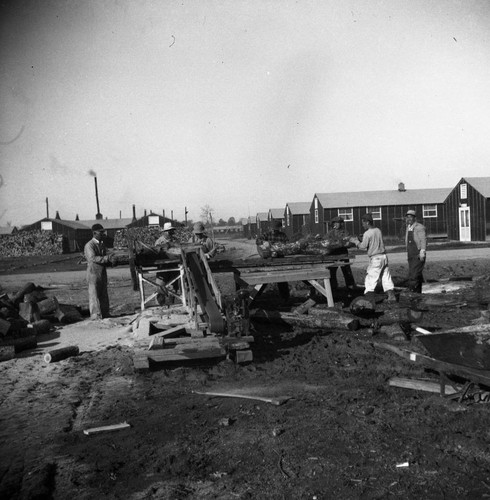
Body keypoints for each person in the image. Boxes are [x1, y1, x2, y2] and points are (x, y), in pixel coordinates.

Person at [350, 213, 396, 304]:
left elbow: (363, 246)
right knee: (386, 277)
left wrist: (356, 241)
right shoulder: (378, 230)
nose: (362, 225)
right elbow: (372, 240)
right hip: (383, 257)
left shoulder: (367, 233)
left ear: (367, 222)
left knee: (370, 279)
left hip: (375, 259)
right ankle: (391, 296)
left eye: (363, 223)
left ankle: (369, 300)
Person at [84, 223, 116, 319]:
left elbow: (106, 256)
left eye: (103, 232)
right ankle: (95, 315)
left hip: (101, 272)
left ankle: (105, 313)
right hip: (93, 273)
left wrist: (111, 260)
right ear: (94, 233)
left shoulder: (101, 244)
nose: (103, 234)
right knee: (94, 294)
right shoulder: (89, 245)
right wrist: (107, 259)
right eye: (100, 232)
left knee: (103, 294)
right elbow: (92, 258)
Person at [323, 216, 357, 290]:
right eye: (336, 223)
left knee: (346, 271)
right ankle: (333, 288)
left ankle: (350, 287)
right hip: (333, 254)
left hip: (343, 254)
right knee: (332, 271)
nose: (338, 224)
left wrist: (343, 243)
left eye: (339, 223)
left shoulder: (345, 232)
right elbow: (325, 242)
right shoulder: (330, 233)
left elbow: (349, 241)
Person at [261, 220, 290, 301]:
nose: (274, 231)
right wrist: (265, 244)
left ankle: (285, 298)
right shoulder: (266, 235)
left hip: (280, 259)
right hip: (269, 260)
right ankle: (261, 296)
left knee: (282, 279)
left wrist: (283, 247)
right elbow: (258, 241)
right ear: (270, 228)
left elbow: (287, 245)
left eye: (276, 229)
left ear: (279, 228)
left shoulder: (283, 235)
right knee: (263, 280)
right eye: (273, 229)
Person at [405, 209, 427, 293]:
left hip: (417, 254)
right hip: (410, 254)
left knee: (414, 275)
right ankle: (419, 291)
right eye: (407, 217)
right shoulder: (408, 227)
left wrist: (422, 251)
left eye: (410, 217)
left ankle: (413, 292)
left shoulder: (419, 227)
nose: (409, 219)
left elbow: (423, 240)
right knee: (414, 273)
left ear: (414, 218)